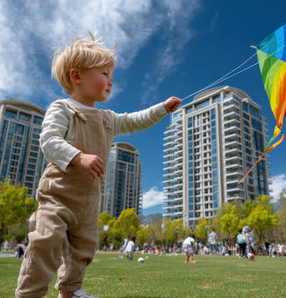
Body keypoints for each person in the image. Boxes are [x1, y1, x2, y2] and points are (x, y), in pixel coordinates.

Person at [15, 33, 181, 298]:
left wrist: (162, 109)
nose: (111, 81)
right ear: (77, 76)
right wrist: (78, 157)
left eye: (111, 75)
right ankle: (30, 294)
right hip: (58, 195)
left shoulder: (108, 118)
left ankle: (70, 293)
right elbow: (48, 140)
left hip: (89, 202)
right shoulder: (63, 109)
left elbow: (135, 120)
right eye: (104, 73)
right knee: (46, 241)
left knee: (83, 250)